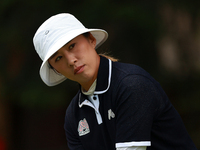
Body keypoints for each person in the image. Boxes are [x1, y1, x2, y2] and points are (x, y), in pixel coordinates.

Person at [33, 13, 197, 150]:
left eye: (72, 46)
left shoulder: (131, 85)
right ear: (56, 69)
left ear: (91, 40)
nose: (70, 60)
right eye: (59, 58)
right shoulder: (73, 116)